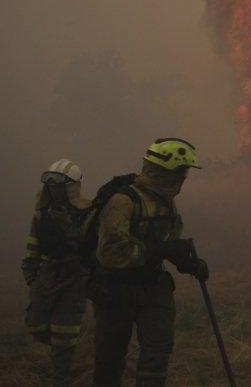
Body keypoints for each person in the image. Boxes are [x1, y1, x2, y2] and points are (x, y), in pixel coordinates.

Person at [90, 138, 208, 387]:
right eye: (182, 170)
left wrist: (188, 264)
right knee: (110, 357)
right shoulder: (123, 202)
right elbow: (111, 254)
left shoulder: (165, 201)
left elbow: (170, 241)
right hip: (116, 289)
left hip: (154, 286)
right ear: (167, 171)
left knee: (158, 350)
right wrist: (163, 249)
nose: (185, 177)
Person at [22, 159, 93, 386]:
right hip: (46, 274)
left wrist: (66, 223)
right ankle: (63, 351)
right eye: (51, 185)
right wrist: (32, 278)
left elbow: (86, 248)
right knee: (35, 325)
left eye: (59, 185)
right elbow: (33, 244)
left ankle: (59, 379)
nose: (53, 189)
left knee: (64, 334)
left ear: (72, 187)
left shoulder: (87, 212)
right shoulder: (42, 212)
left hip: (74, 277)